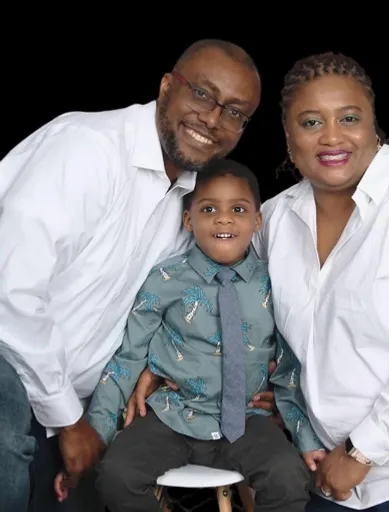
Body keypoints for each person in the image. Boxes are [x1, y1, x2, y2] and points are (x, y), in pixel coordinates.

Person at [0, 38, 262, 512]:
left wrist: (164, 368)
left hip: (77, 397)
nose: (212, 119)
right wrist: (69, 421)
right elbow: (9, 294)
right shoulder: (86, 148)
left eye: (234, 113)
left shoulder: (190, 206)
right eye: (202, 94)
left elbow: (176, 305)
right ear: (166, 87)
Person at [62, 160, 326, 512]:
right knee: (116, 477)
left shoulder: (274, 283)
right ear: (189, 221)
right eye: (209, 209)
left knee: (289, 479)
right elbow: (128, 357)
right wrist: (95, 434)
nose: (223, 218)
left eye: (238, 209)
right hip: (173, 415)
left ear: (257, 220)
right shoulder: (166, 279)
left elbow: (288, 367)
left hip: (247, 420)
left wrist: (305, 438)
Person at [252, 51, 389, 510]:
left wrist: (362, 451)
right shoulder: (275, 218)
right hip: (321, 473)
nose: (332, 137)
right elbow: (247, 312)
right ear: (287, 135)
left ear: (373, 124)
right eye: (311, 122)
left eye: (349, 117)